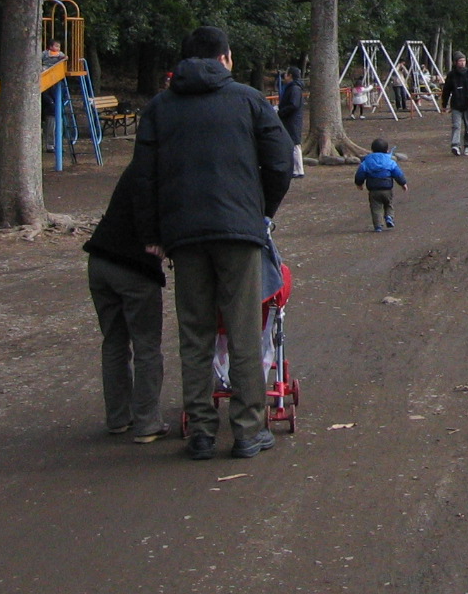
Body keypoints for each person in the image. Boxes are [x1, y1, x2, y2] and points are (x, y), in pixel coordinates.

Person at [130, 25, 292, 462]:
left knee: (195, 331)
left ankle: (200, 430)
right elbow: (280, 160)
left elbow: (142, 178)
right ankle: (246, 429)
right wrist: (261, 211)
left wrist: (152, 235)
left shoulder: (161, 108)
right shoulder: (249, 100)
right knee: (242, 329)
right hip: (238, 231)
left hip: (184, 236)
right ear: (227, 58)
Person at [85, 167, 168, 444]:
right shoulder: (168, 175)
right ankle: (147, 423)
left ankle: (118, 418)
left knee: (114, 341)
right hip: (135, 267)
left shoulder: (137, 169)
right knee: (146, 344)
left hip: (99, 258)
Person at [354, 138, 407, 231]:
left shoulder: (367, 161)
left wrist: (359, 183)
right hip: (387, 188)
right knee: (388, 204)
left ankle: (378, 225)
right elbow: (397, 173)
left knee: (375, 207)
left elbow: (360, 173)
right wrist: (403, 183)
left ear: (372, 150)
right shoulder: (390, 161)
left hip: (373, 190)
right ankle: (389, 217)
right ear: (387, 150)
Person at [442, 53, 468, 155]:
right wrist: (444, 105)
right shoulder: (451, 75)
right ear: (455, 62)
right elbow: (446, 91)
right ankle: (455, 145)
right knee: (456, 125)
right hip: (456, 105)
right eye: (460, 61)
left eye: (463, 61)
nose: (462, 63)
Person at [278, 67, 305, 178]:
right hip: (290, 119)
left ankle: (298, 170)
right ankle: (295, 168)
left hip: (292, 120)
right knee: (292, 143)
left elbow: (293, 105)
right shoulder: (293, 88)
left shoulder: (294, 89)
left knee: (295, 144)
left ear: (290, 76)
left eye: (286, 74)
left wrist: (281, 112)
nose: (284, 76)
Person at [41, 38, 65, 151]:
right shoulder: (45, 54)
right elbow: (44, 94)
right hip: (50, 109)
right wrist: (50, 102)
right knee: (51, 126)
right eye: (56, 46)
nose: (58, 49)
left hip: (55, 108)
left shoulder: (57, 83)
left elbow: (63, 58)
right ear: (50, 47)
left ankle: (57, 144)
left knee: (57, 127)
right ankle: (50, 145)